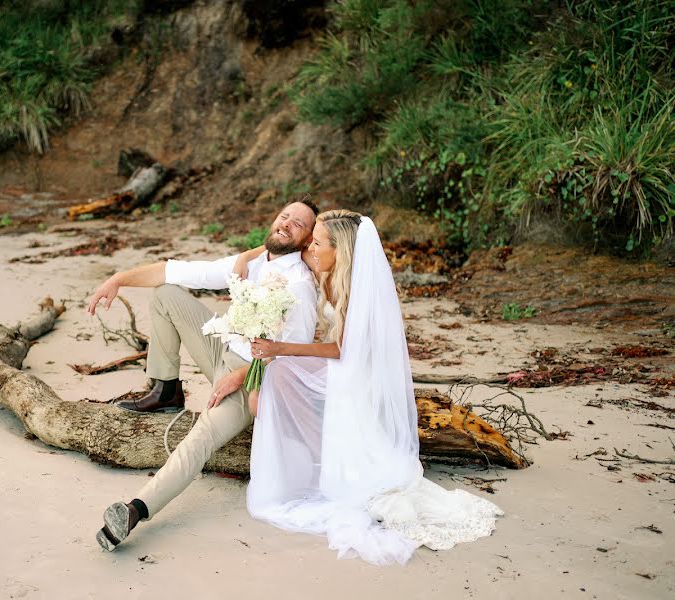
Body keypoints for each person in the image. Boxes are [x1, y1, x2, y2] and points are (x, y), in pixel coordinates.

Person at [243, 209, 503, 565]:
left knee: (284, 373)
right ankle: (307, 453)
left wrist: (280, 349)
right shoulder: (333, 273)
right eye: (312, 241)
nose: (311, 249)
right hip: (344, 369)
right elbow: (295, 248)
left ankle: (319, 462)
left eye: (318, 243)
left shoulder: (353, 288)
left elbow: (341, 349)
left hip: (354, 374)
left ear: (342, 250)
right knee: (282, 375)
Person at [87, 199, 320, 551]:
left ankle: (135, 510)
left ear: (306, 240)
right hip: (220, 351)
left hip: (255, 380)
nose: (286, 223)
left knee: (200, 438)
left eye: (298, 224)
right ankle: (166, 390)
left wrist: (240, 377)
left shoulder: (300, 287)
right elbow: (177, 272)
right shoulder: (252, 262)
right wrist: (119, 279)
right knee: (167, 294)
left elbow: (291, 358)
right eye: (284, 216)